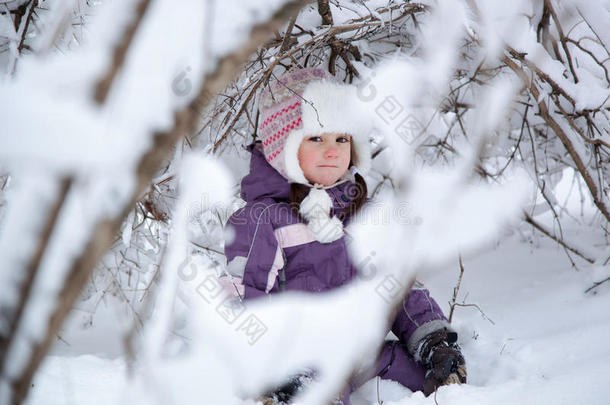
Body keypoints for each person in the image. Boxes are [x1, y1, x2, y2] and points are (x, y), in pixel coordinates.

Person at [222, 67, 466, 404]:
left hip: (368, 356)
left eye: (342, 138)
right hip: (302, 366)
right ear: (284, 149)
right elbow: (246, 302)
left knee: (443, 387)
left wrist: (434, 339)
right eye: (316, 138)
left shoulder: (363, 213)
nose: (333, 150)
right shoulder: (263, 221)